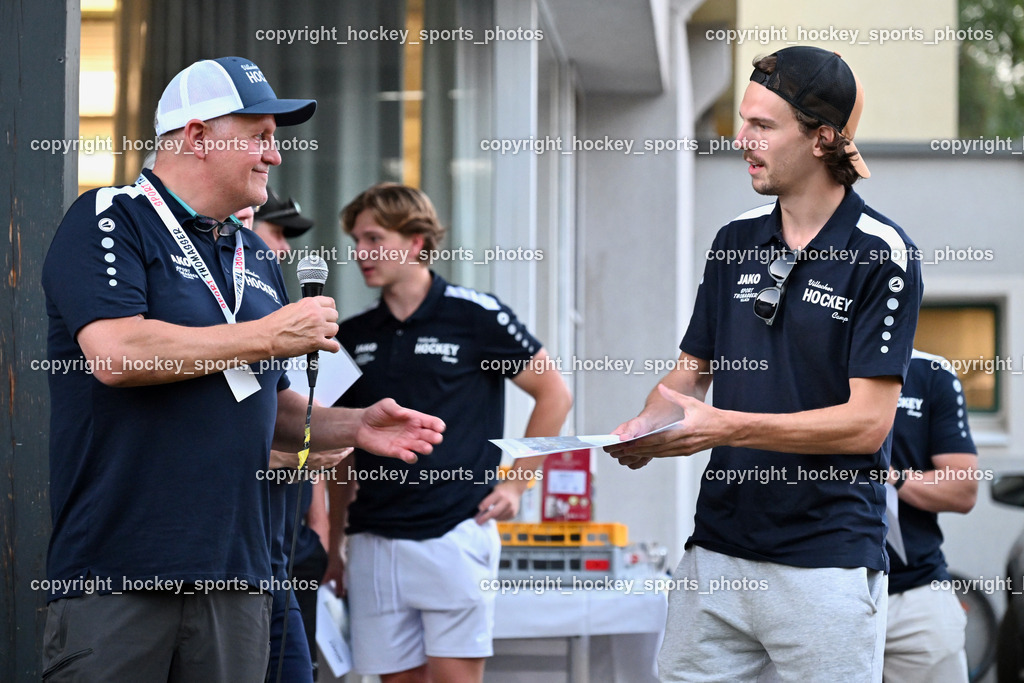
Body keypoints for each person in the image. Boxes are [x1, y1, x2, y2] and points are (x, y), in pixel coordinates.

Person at [40, 57, 444, 683]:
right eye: (259, 136)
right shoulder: (109, 217)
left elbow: (270, 407)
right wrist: (267, 334)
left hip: (240, 576)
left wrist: (354, 426)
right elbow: (117, 353)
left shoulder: (253, 251)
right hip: (120, 571)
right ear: (197, 137)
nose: (274, 156)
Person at [605, 46, 922, 682]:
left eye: (762, 126)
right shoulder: (733, 240)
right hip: (716, 553)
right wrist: (647, 426)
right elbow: (691, 373)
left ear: (822, 138)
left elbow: (867, 425)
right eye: (742, 120)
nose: (741, 139)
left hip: (826, 562)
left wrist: (725, 426)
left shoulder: (882, 253)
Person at [324, 183, 572, 683]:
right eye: (355, 240)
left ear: (416, 242)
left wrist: (517, 483)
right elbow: (341, 447)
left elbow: (555, 394)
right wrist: (334, 544)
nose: (360, 254)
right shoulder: (351, 335)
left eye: (373, 238)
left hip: (455, 531)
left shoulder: (475, 315)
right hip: (372, 538)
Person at [251, 188, 345, 682]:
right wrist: (285, 458)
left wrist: (320, 528)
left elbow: (304, 419)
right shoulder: (210, 318)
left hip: (285, 544)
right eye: (276, 231)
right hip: (228, 549)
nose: (284, 249)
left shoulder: (285, 313)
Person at [883, 350, 978, 682]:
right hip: (814, 586)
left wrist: (891, 476)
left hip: (914, 591)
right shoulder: (799, 361)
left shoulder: (930, 372)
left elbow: (963, 488)